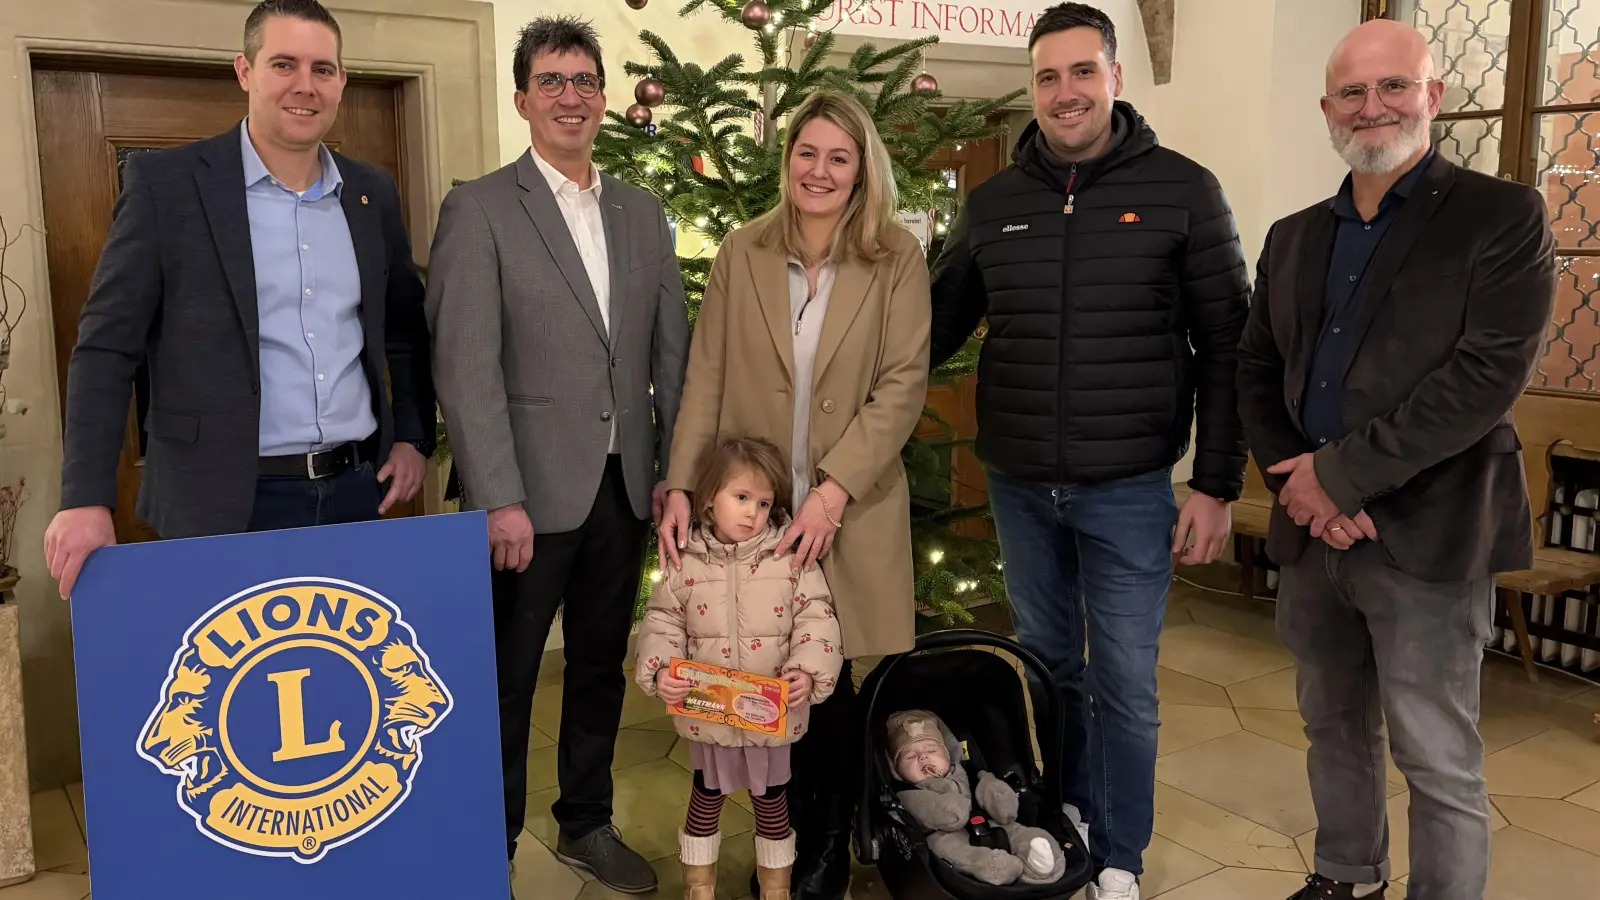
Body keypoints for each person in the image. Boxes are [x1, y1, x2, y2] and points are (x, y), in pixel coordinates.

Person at [927, 5, 1249, 898]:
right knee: (1049, 664)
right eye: (1046, 77)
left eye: (1081, 72)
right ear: (1031, 88)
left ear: (1115, 75)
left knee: (1128, 686)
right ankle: (1067, 814)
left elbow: (1230, 348)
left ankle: (1119, 855)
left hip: (1129, 488)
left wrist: (1216, 483)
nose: (1064, 92)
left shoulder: (1187, 191)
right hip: (1021, 484)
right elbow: (928, 328)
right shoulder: (993, 205)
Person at [1237, 19, 1555, 900]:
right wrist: (1298, 484)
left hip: (1429, 533)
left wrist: (1336, 477)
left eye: (1393, 87)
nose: (1371, 107)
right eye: (1352, 91)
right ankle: (1346, 877)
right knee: (1330, 726)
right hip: (1314, 536)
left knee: (1437, 754)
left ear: (1432, 97)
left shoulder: (1502, 217)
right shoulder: (1295, 236)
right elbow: (1256, 372)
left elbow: (1483, 379)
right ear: (1327, 107)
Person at [423, 14, 690, 894]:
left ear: (605, 97)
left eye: (584, 81)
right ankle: (485, 846)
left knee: (599, 667)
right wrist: (497, 495)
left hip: (623, 490)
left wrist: (672, 477)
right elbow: (464, 367)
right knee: (501, 681)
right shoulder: (483, 206)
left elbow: (669, 357)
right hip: (524, 502)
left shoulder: (643, 211)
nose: (570, 97)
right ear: (522, 98)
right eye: (552, 82)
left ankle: (585, 822)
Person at [44, 0, 434, 597]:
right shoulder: (167, 187)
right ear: (244, 71)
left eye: (322, 69)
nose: (305, 86)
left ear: (341, 81)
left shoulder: (370, 192)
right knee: (231, 685)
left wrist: (411, 434)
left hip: (356, 492)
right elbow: (104, 350)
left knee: (352, 680)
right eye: (284, 64)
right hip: (220, 504)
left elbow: (404, 330)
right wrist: (86, 499)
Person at [656, 90, 930, 900]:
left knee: (831, 683)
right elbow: (704, 378)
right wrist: (680, 484)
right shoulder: (743, 252)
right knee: (766, 677)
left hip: (852, 502)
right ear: (788, 162)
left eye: (838, 158)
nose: (819, 171)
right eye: (806, 153)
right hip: (753, 510)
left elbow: (904, 382)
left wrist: (836, 488)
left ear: (861, 170)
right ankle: (777, 843)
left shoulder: (895, 259)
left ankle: (821, 854)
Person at [634, 436, 843, 900]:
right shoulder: (685, 562)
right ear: (709, 497)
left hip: (772, 718)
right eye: (741, 497)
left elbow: (818, 617)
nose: (752, 512)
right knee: (706, 796)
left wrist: (808, 672)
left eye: (764, 503)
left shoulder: (790, 560)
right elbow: (662, 621)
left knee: (771, 802)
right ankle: (698, 886)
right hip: (709, 717)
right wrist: (663, 670)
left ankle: (776, 889)